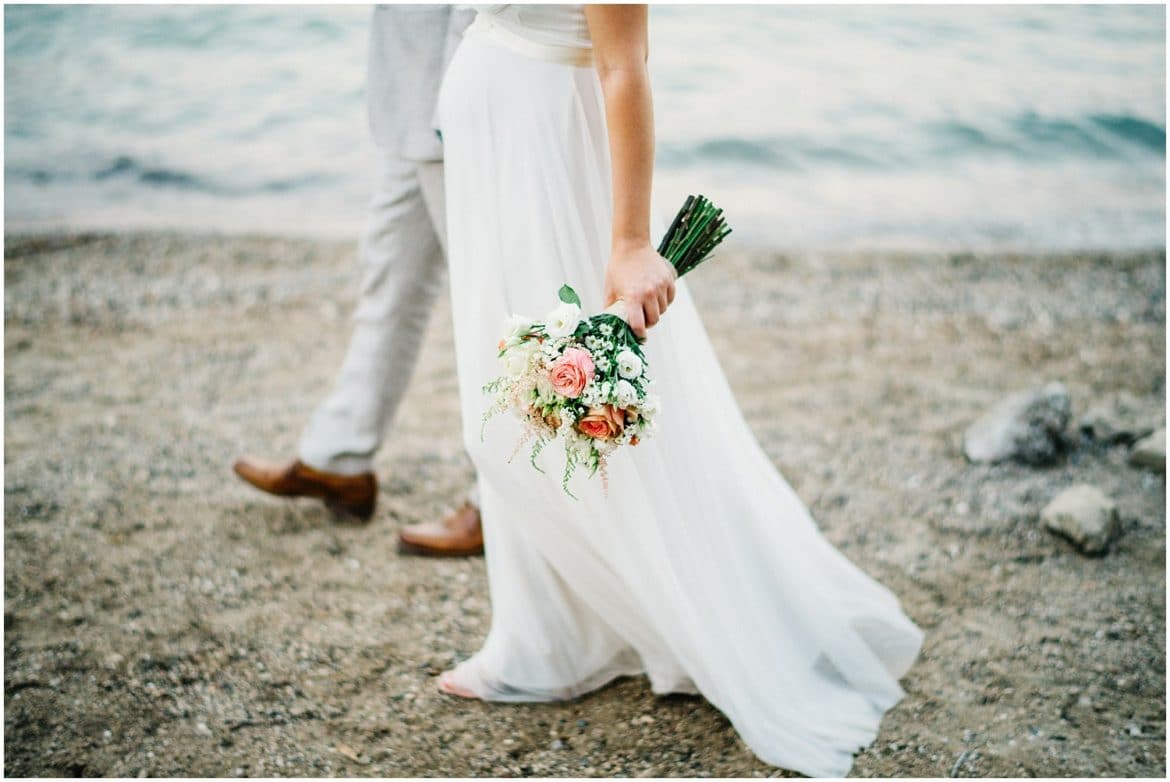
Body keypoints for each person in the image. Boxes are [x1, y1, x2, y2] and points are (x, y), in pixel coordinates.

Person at [430, 4, 925, 777]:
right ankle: (552, 636)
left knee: (541, 408)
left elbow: (623, 64)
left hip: (548, 158)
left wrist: (630, 242)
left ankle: (571, 639)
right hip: (498, 147)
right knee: (513, 401)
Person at [232, 6, 484, 557]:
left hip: (454, 97)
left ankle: (497, 501)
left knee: (486, 303)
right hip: (410, 100)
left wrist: (460, 103)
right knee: (390, 278)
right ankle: (339, 457)